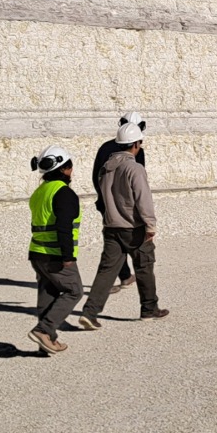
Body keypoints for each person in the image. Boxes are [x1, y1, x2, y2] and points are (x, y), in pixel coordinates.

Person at [77, 113, 169, 327]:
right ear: (136, 144)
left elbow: (101, 191)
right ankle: (149, 308)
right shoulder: (134, 168)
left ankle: (90, 313)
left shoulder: (107, 168)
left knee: (106, 271)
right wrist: (150, 224)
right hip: (133, 227)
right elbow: (143, 198)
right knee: (145, 267)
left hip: (111, 225)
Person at [27, 145, 83, 355]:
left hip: (37, 252)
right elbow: (64, 227)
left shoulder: (39, 192)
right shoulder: (64, 193)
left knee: (47, 294)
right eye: (70, 167)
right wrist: (67, 257)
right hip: (55, 254)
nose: (72, 172)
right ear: (64, 169)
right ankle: (44, 330)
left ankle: (46, 341)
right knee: (74, 290)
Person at [92, 113, 148, 293]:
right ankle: (148, 300)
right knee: (136, 244)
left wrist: (104, 198)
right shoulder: (137, 151)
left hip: (106, 204)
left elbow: (96, 177)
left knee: (113, 239)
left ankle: (124, 276)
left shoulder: (104, 147)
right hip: (129, 208)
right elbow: (138, 182)